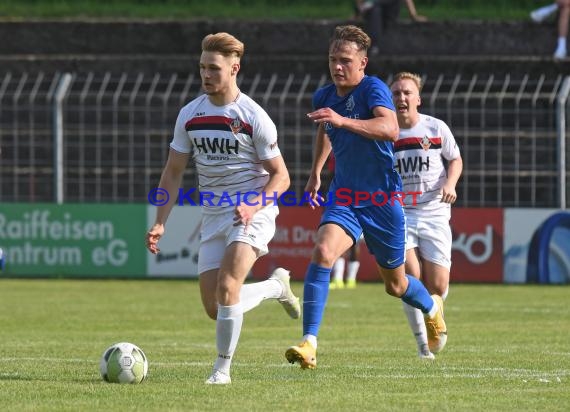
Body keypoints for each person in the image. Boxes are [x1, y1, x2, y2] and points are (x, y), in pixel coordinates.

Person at [284, 25, 446, 370]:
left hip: (383, 201)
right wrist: (316, 171)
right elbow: (326, 128)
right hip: (343, 195)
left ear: (363, 63)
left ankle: (432, 307)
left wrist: (341, 121)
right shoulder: (324, 96)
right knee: (323, 251)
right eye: (332, 59)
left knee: (396, 285)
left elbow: (389, 129)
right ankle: (310, 342)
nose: (337, 66)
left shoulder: (373, 89)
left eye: (345, 60)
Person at [145, 32, 301, 385]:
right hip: (215, 215)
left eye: (213, 68)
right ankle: (275, 288)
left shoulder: (253, 116)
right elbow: (173, 172)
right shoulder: (190, 114)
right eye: (202, 67)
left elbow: (282, 178)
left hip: (252, 211)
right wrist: (160, 222)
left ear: (234, 68)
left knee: (229, 287)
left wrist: (253, 204)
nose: (206, 75)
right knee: (215, 308)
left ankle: (221, 370)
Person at [390, 72, 463, 359]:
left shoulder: (435, 127)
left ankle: (435, 315)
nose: (401, 98)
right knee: (410, 277)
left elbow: (455, 159)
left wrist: (450, 183)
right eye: (396, 93)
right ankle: (423, 347)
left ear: (417, 98)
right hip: (402, 212)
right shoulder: (385, 132)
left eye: (407, 92)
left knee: (439, 286)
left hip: (434, 212)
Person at [353, 0, 427, 55]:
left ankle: (370, 5)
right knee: (375, 10)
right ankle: (374, 46)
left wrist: (413, 15)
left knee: (375, 7)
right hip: (374, 10)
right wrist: (358, 15)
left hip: (390, 10)